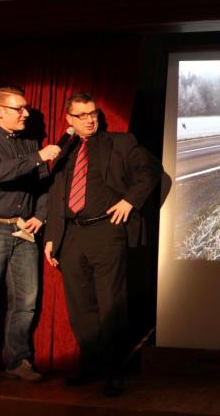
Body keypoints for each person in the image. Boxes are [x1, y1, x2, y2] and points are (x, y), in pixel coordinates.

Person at [44, 92, 162, 397]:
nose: (89, 120)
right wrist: (52, 236)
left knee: (111, 304)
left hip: (106, 231)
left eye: (93, 113)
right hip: (71, 235)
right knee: (80, 306)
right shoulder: (63, 151)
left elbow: (151, 170)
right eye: (81, 115)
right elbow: (55, 195)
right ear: (69, 119)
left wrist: (129, 201)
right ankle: (91, 365)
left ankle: (113, 370)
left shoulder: (121, 143)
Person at [0, 85, 61, 387]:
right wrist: (38, 157)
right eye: (19, 109)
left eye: (26, 108)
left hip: (22, 229)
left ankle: (18, 360)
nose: (26, 113)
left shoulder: (30, 143)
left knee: (26, 300)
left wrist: (39, 216)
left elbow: (44, 187)